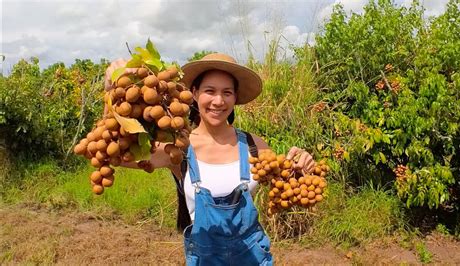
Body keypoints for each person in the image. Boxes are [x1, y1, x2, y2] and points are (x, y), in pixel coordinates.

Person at [105, 53, 315, 265]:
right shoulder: (176, 148)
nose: (218, 101)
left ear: (235, 98)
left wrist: (300, 170)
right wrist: (111, 92)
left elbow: (286, 190)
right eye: (209, 91)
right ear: (194, 94)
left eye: (227, 93)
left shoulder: (254, 146)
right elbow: (111, 154)